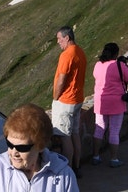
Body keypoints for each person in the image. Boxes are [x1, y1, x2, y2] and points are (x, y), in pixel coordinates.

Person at [0, 103, 79, 192]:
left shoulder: (63, 175)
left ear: (41, 145)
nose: (14, 152)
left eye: (22, 148)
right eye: (10, 145)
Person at [91, 43, 128, 168]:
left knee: (99, 129)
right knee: (114, 131)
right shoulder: (119, 65)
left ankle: (95, 156)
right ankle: (114, 159)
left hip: (100, 102)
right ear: (116, 54)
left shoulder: (98, 65)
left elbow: (96, 77)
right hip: (116, 102)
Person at [52, 26, 87, 177]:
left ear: (67, 38)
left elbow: (61, 79)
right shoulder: (80, 51)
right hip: (77, 99)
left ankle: (68, 173)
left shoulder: (66, 55)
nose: (58, 42)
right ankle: (77, 167)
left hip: (65, 101)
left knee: (65, 137)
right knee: (75, 134)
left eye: (59, 39)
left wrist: (55, 97)